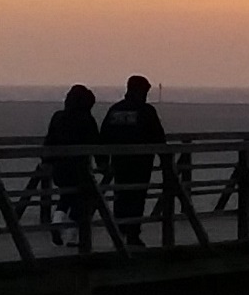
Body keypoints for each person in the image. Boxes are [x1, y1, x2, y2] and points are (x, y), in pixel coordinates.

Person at [101, 77, 168, 245]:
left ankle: (121, 229)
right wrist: (165, 162)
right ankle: (132, 234)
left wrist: (102, 161)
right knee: (137, 198)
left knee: (121, 195)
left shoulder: (115, 110)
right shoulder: (146, 111)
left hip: (119, 162)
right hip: (141, 163)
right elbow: (158, 137)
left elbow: (104, 136)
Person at [42, 86, 101, 247]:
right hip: (80, 168)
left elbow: (49, 141)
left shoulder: (58, 117)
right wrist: (103, 164)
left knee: (67, 196)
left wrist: (46, 161)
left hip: (60, 168)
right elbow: (96, 144)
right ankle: (72, 236)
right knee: (86, 198)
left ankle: (57, 221)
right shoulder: (86, 119)